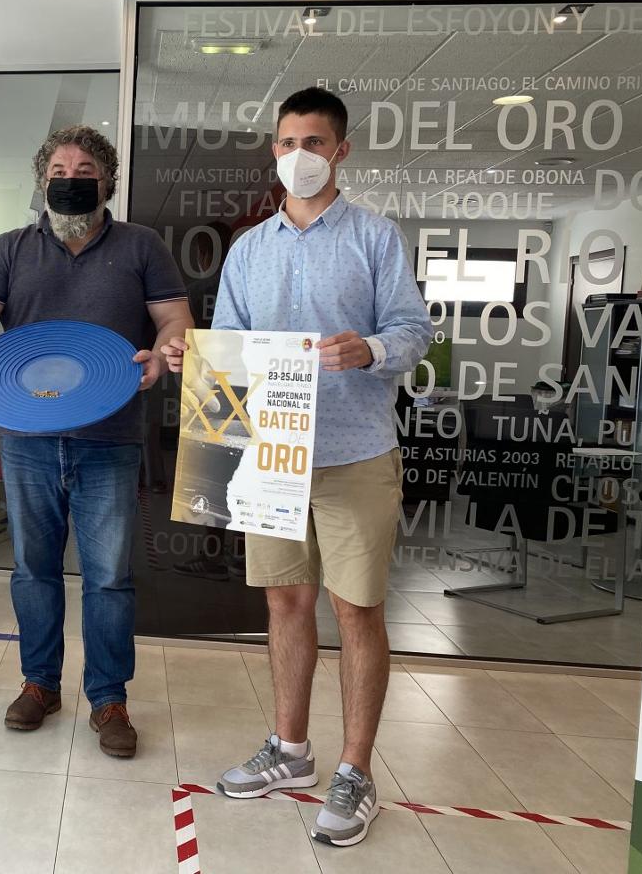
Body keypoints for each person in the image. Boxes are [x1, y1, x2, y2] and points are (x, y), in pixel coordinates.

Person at [163, 87, 430, 846]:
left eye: (314, 143)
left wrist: (371, 349)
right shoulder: (251, 248)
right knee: (284, 603)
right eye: (286, 143)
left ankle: (355, 771)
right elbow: (237, 352)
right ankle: (290, 751)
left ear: (341, 151)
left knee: (357, 611)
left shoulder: (376, 237)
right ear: (273, 151)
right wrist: (197, 355)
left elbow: (415, 328)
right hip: (270, 456)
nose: (298, 156)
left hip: (354, 451)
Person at [0, 126, 192, 758]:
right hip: (25, 435)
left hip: (109, 435)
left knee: (107, 576)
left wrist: (166, 353)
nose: (69, 176)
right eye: (58, 166)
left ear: (106, 180)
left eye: (83, 167)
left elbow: (173, 319)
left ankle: (109, 698)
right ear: (41, 179)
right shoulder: (10, 248)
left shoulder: (141, 246)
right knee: (33, 568)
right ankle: (40, 684)